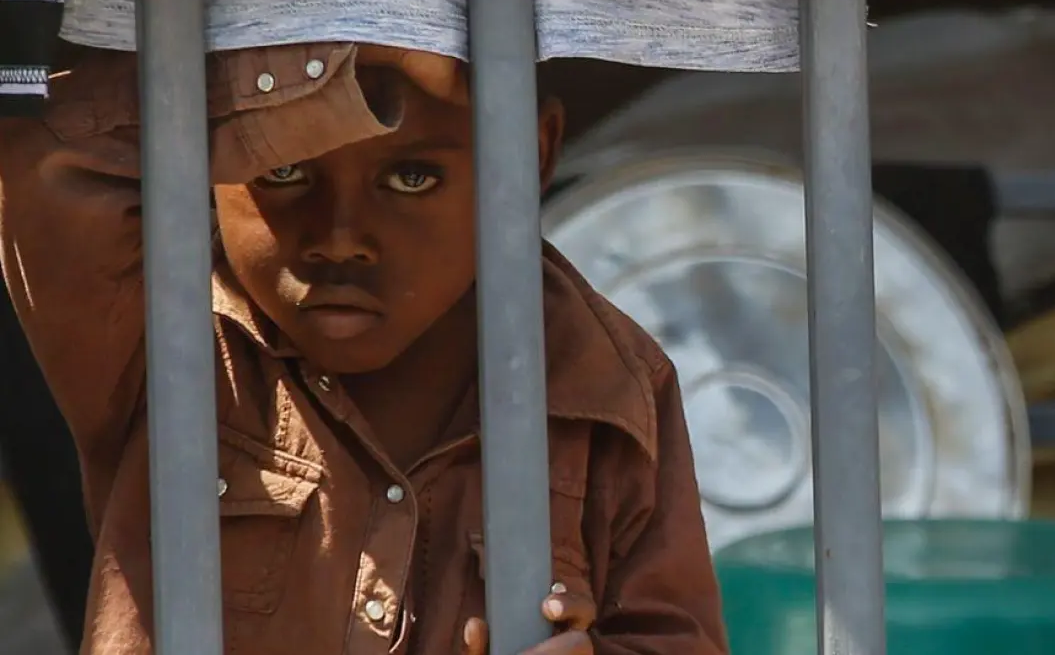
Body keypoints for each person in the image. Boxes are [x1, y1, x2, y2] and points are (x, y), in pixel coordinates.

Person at [0, 41, 727, 655]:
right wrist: (322, 65)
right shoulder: (158, 338)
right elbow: (50, 136)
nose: (341, 236)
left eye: (412, 177)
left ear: (529, 153)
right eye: (282, 170)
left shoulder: (605, 387)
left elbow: (677, 637)